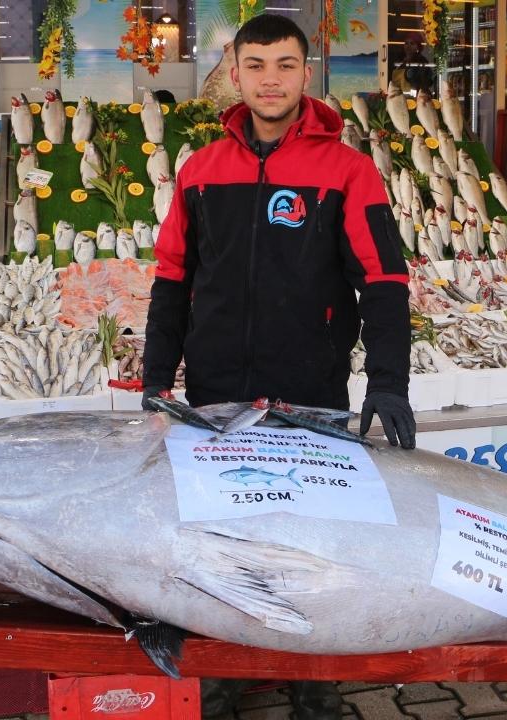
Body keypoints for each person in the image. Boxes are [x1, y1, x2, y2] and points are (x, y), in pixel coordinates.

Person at [140, 13, 416, 719]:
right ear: (235, 72)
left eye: (285, 64)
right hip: (215, 394)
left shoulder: (349, 171)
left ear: (306, 72)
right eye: (256, 64)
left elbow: (384, 280)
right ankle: (226, 667)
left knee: (314, 538)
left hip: (310, 391)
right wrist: (155, 375)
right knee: (221, 536)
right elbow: (173, 277)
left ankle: (315, 684)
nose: (270, 79)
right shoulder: (201, 169)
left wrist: (388, 380)